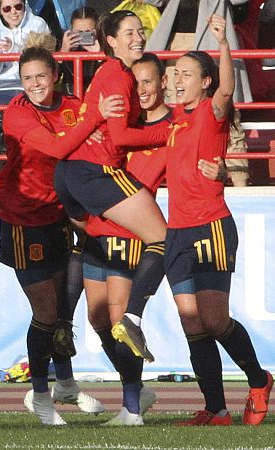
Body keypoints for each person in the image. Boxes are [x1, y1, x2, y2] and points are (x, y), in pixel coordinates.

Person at [0, 35, 123, 425]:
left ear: (55, 75)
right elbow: (56, 149)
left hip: (59, 216)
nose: (34, 84)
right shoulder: (16, 113)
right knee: (46, 310)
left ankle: (65, 383)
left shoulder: (72, 107)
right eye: (27, 78)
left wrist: (99, 125)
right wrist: (94, 119)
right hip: (23, 218)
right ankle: (39, 394)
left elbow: (92, 142)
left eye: (40, 76)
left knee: (64, 310)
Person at [164, 15, 272, 426]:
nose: (178, 80)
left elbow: (228, 88)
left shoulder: (212, 111)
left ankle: (259, 379)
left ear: (204, 82)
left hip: (210, 226)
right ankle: (217, 409)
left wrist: (223, 42)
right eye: (176, 73)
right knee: (192, 323)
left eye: (186, 74)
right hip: (177, 231)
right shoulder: (175, 118)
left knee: (214, 319)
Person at [52, 10, 171, 366]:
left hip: (71, 175)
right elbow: (119, 136)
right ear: (112, 41)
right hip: (94, 173)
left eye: (141, 30)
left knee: (90, 243)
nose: (138, 37)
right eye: (129, 32)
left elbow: (111, 127)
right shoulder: (118, 75)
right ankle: (132, 318)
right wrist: (168, 133)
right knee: (164, 238)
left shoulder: (111, 73)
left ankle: (63, 323)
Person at [81, 53, 177, 426]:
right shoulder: (122, 124)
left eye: (149, 82)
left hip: (131, 233)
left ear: (162, 84)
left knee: (122, 320)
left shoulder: (170, 129)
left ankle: (132, 407)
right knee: (97, 318)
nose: (142, 90)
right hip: (97, 226)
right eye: (136, 84)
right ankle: (135, 389)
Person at [147, 0, 252, 187]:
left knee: (229, 117)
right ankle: (171, 183)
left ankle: (240, 187)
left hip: (214, 38)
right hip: (175, 42)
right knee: (177, 117)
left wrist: (223, 42)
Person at [0, 0, 49, 104]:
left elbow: (44, 57)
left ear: (25, 5)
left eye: (18, 6)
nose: (13, 12)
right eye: (7, 9)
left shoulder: (38, 24)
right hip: (3, 84)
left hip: (33, 80)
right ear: (0, 10)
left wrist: (14, 50)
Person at [58, 7, 101, 95]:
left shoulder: (106, 46)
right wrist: (62, 54)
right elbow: (53, 78)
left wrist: (100, 56)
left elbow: (113, 75)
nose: (83, 36)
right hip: (71, 98)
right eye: (79, 32)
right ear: (71, 30)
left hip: (96, 97)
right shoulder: (63, 45)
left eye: (87, 32)